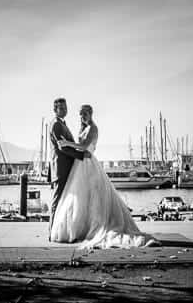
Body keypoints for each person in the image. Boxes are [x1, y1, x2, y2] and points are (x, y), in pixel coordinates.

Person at [48, 104, 159, 249]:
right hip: (80, 165)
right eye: (81, 114)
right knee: (80, 199)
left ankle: (92, 227)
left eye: (85, 114)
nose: (82, 117)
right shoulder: (81, 128)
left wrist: (67, 142)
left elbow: (84, 146)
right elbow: (79, 146)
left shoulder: (93, 128)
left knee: (91, 197)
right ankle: (79, 228)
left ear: (91, 114)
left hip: (88, 163)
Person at [48, 98, 87, 223]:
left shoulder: (62, 123)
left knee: (65, 200)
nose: (64, 110)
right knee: (58, 199)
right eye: (61, 108)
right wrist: (81, 155)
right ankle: (52, 231)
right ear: (55, 110)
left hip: (66, 167)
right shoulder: (56, 124)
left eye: (66, 108)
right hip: (61, 168)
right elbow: (63, 147)